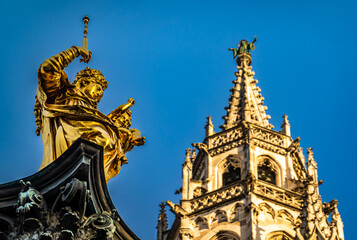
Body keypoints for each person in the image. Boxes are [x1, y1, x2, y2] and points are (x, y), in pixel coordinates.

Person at [34, 46, 145, 181]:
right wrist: (74, 51)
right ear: (84, 82)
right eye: (98, 88)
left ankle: (92, 182)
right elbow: (48, 68)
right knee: (104, 140)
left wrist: (132, 136)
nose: (99, 95)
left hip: (86, 167)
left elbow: (117, 130)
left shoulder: (92, 113)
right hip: (63, 156)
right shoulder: (62, 94)